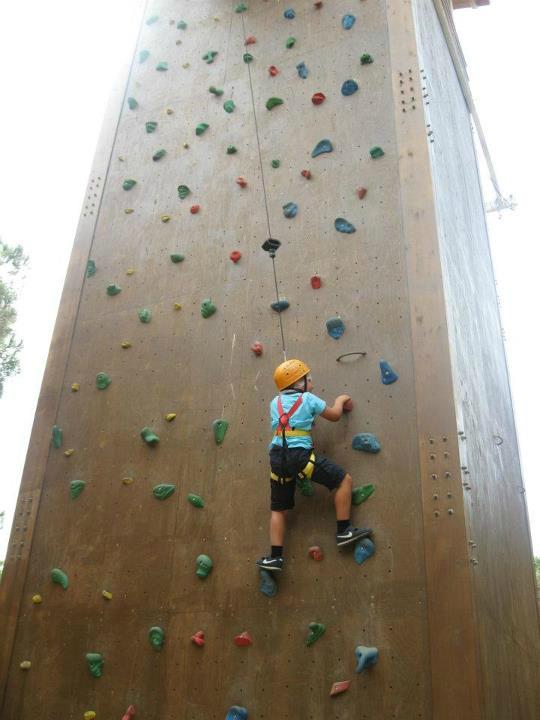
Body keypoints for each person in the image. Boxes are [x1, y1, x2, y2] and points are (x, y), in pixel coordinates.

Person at [256, 359, 373, 572]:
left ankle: (275, 557)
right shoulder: (309, 399)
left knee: (279, 509)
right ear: (299, 384)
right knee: (343, 480)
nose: (312, 382)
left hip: (277, 459)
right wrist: (340, 400)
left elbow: (290, 420)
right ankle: (344, 530)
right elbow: (335, 416)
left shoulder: (275, 403)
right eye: (308, 379)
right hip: (300, 457)